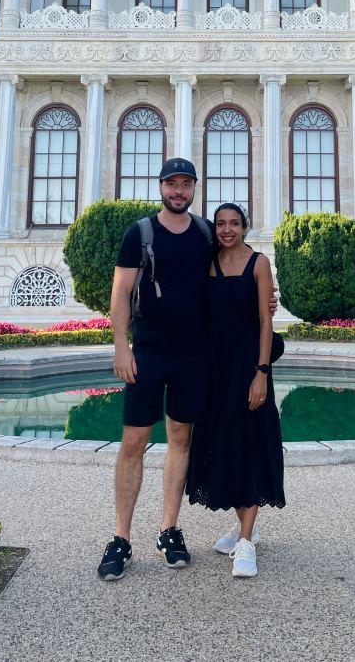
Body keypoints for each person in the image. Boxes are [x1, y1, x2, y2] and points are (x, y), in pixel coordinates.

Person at [97, 160, 275, 582]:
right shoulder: (139, 233)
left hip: (194, 356)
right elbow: (120, 293)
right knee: (133, 442)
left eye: (186, 184)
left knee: (181, 439)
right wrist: (121, 346)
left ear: (194, 188)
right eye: (172, 184)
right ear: (160, 187)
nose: (178, 190)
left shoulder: (203, 234)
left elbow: (236, 273)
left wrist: (266, 300)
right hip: (149, 353)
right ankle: (121, 537)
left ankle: (168, 529)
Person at [186, 202, 285, 579]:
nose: (228, 229)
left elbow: (265, 321)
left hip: (248, 365)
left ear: (246, 227)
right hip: (215, 369)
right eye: (222, 224)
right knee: (221, 445)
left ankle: (246, 543)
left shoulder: (258, 263)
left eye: (235, 223)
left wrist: (261, 372)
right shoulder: (207, 262)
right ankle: (248, 526)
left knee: (250, 444)